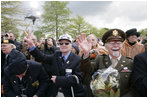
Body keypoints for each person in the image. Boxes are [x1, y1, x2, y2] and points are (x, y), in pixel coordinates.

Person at [24, 31, 87, 97]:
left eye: (66, 43)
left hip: (70, 93)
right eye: (61, 43)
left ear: (71, 45)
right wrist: (32, 45)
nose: (63, 45)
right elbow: (43, 57)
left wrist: (58, 79)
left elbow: (77, 79)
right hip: (55, 92)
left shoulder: (77, 59)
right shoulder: (57, 54)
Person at [78, 29, 137, 97]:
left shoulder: (130, 62)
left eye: (118, 43)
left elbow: (134, 88)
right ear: (105, 46)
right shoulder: (100, 59)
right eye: (111, 43)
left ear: (123, 45)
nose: (115, 45)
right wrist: (86, 53)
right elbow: (87, 69)